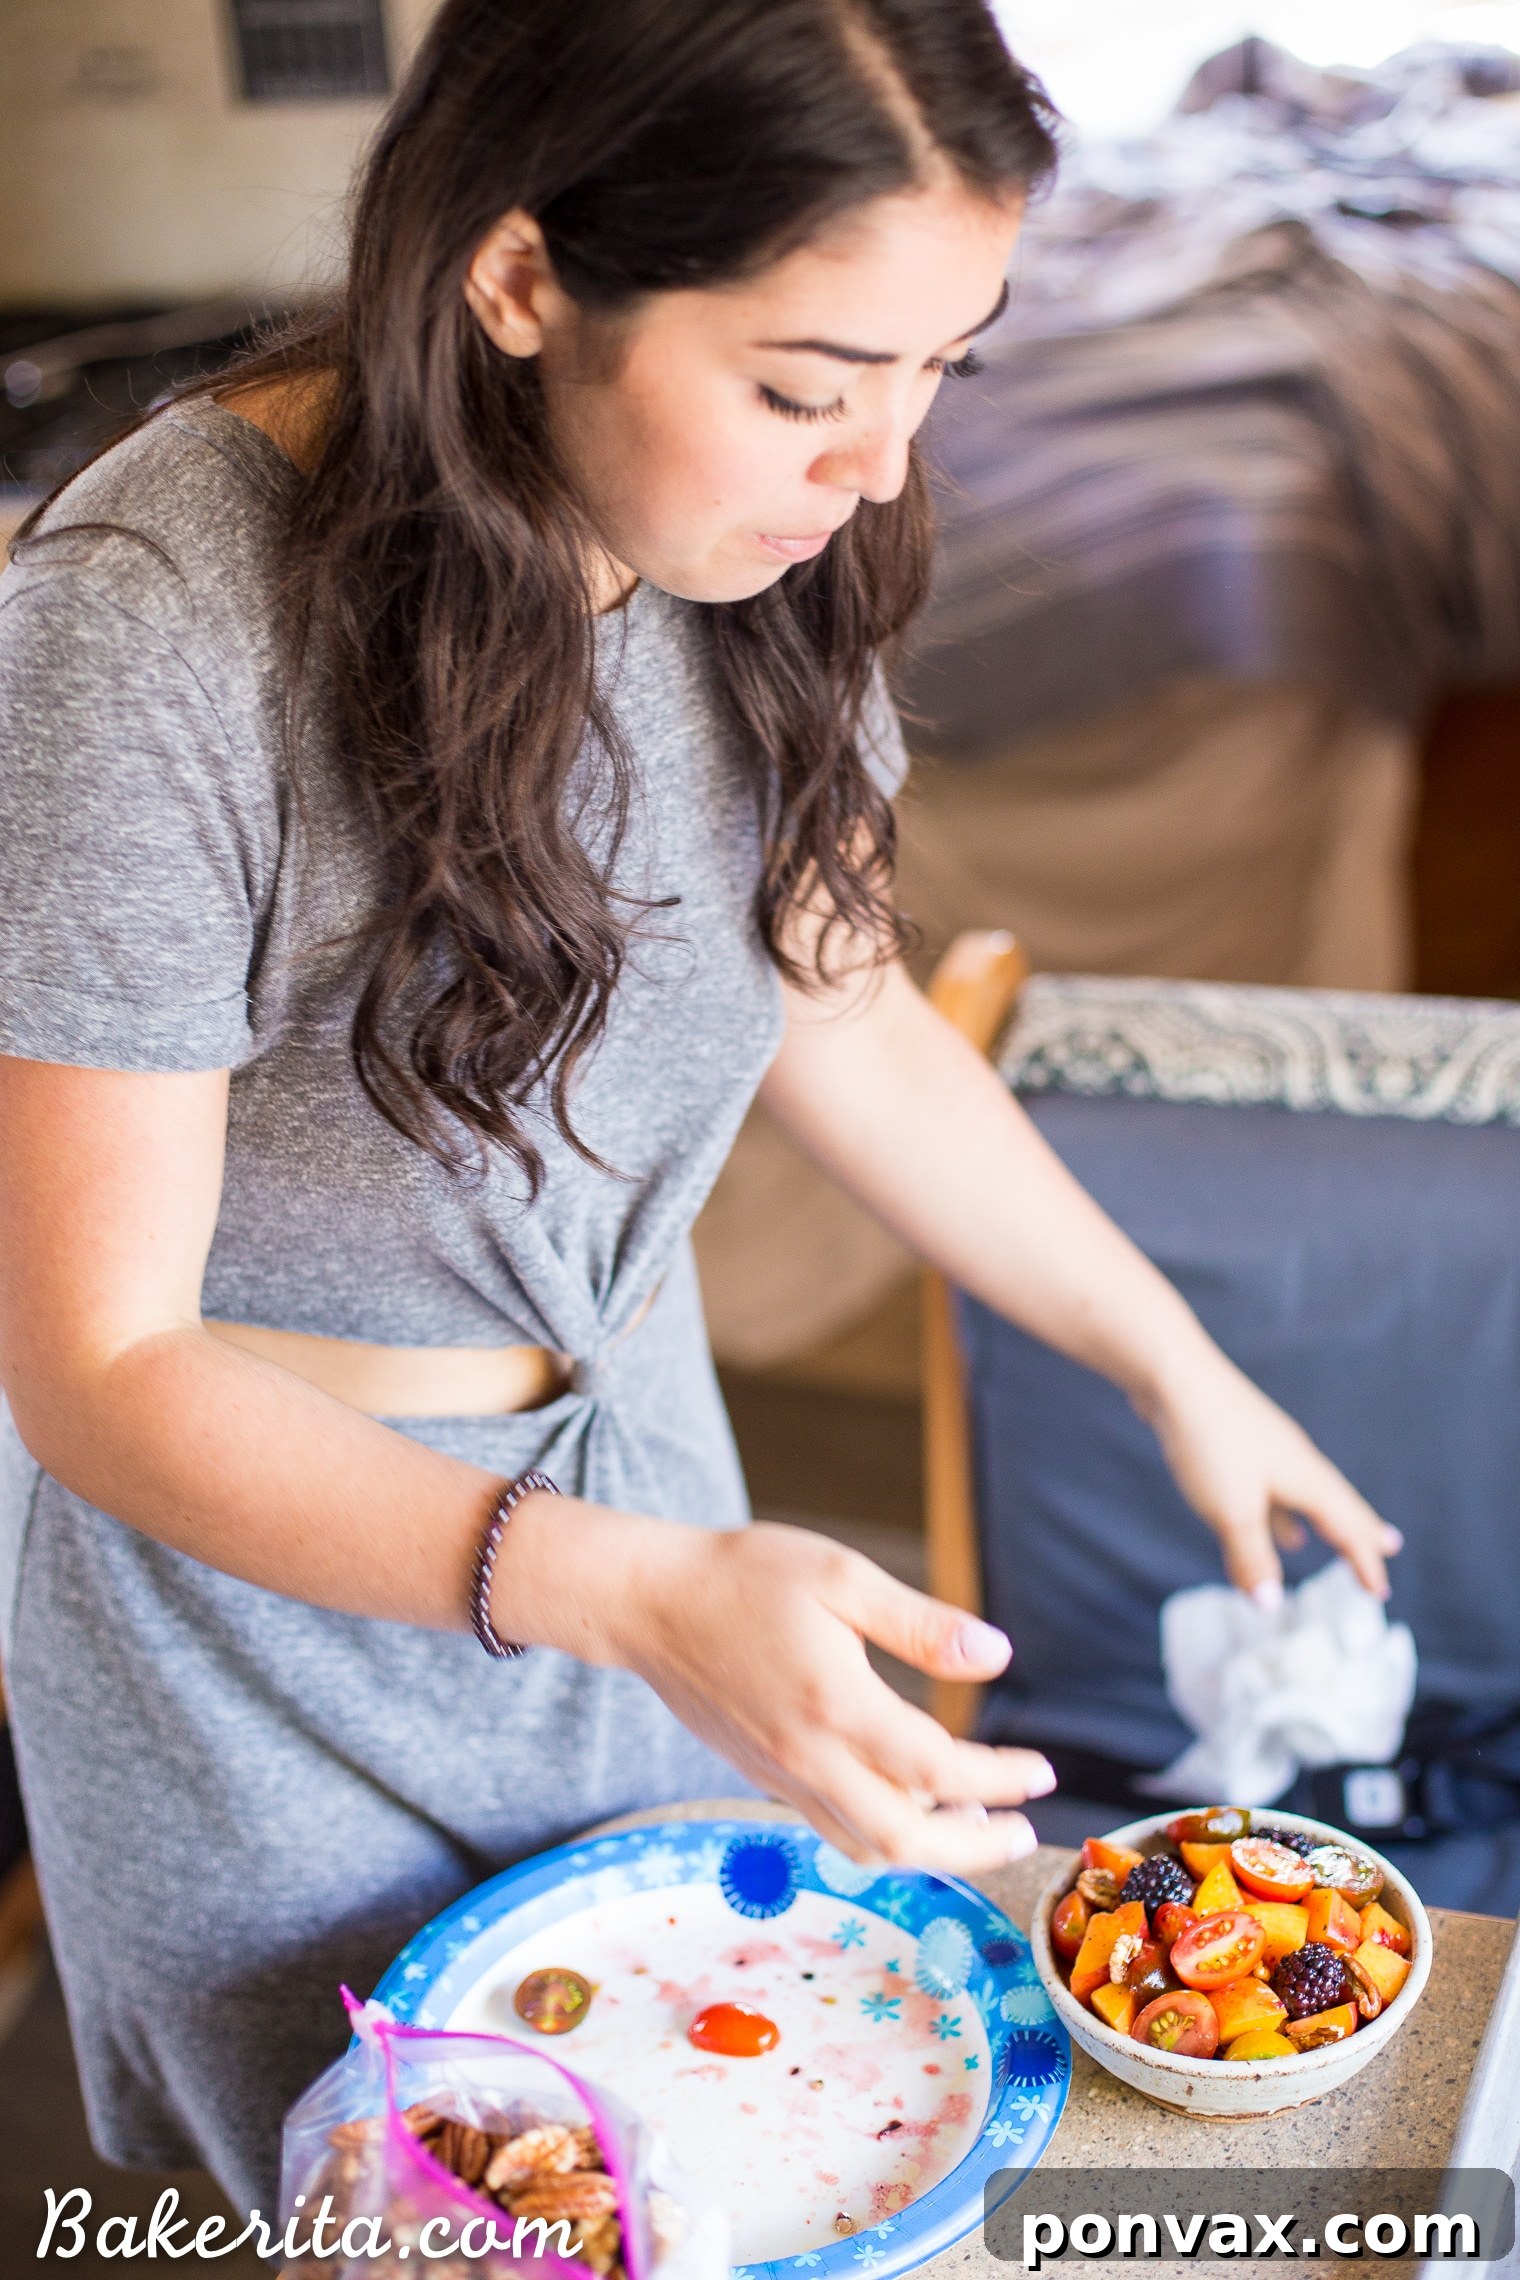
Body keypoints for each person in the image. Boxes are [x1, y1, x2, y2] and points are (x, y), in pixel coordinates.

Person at [0, 0, 1398, 2219]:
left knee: (722, 2163)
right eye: (807, 387)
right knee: (438, 2213)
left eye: (940, 371)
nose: (881, 470)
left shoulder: (760, 549)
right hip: (259, 1615)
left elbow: (833, 1002)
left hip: (638, 1486)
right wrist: (635, 1597)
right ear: (521, 277)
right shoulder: (145, 631)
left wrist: (1169, 1357)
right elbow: (99, 1369)